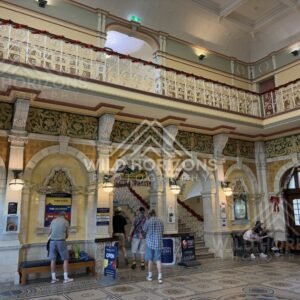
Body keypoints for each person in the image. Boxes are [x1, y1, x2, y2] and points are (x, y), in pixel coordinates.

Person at [48, 211, 73, 284]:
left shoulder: (53, 221)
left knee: (53, 259)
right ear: (64, 215)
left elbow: (49, 232)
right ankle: (65, 278)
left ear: (58, 215)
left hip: (52, 242)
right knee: (65, 259)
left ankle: (53, 278)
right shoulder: (65, 222)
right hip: (61, 241)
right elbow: (67, 234)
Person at [143, 209, 164, 284]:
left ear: (149, 214)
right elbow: (162, 231)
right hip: (158, 242)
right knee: (158, 260)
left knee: (150, 260)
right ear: (155, 213)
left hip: (150, 243)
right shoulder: (160, 221)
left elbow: (144, 230)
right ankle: (160, 277)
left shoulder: (148, 221)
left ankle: (150, 276)